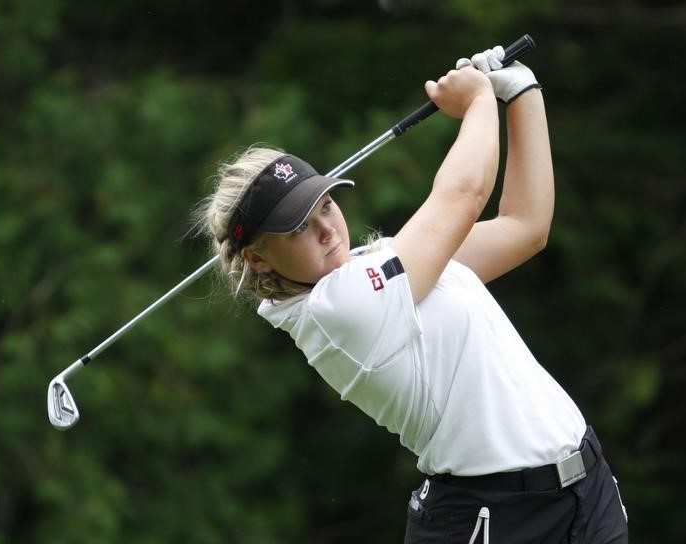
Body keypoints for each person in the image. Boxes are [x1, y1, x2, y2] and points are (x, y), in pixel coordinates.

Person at [192, 46, 629, 543]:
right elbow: (463, 194)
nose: (327, 230)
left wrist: (522, 92)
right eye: (297, 229)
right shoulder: (339, 310)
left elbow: (524, 227)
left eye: (326, 205)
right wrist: (480, 100)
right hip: (495, 520)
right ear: (258, 258)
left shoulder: (380, 264)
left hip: (586, 496)